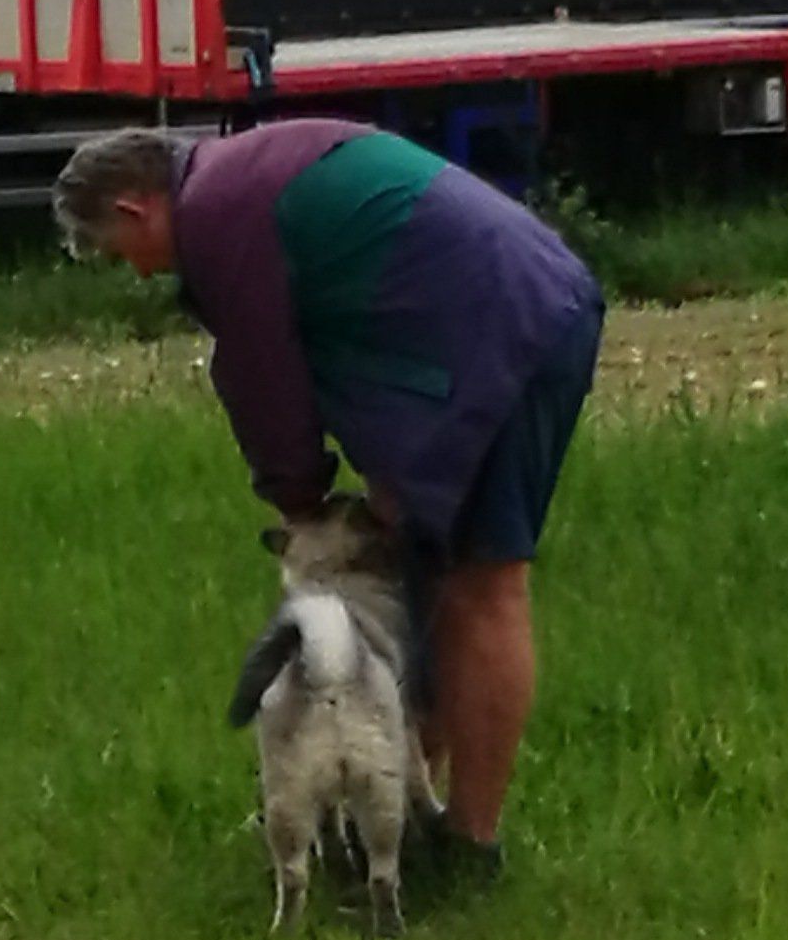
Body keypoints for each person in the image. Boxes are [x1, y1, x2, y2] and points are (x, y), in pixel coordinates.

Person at [51, 120, 604, 880]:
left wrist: (301, 503)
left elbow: (264, 381)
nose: (141, 274)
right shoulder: (238, 176)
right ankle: (403, 818)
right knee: (426, 572)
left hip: (506, 326)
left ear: (134, 207)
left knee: (482, 582)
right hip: (505, 308)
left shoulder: (214, 216)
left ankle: (469, 850)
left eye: (121, 253)